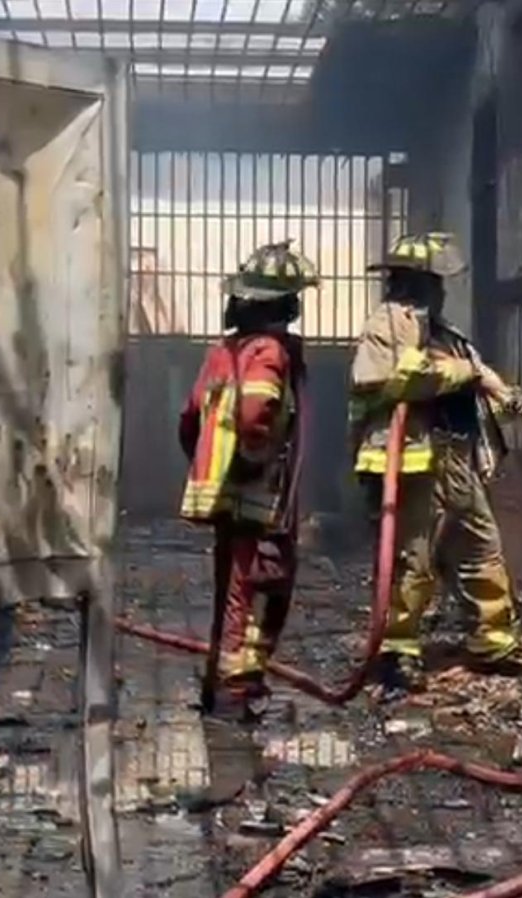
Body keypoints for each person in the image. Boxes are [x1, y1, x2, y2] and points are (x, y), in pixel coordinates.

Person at [349, 232, 522, 700]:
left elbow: (474, 367)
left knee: (479, 543)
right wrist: (460, 374)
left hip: (451, 455)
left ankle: (492, 639)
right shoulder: (386, 324)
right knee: (412, 556)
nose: (440, 291)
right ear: (413, 281)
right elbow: (396, 379)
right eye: (434, 282)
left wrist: (504, 395)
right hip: (407, 460)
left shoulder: (442, 331)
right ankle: (397, 650)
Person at [178, 240, 317, 720]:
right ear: (284, 305)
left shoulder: (222, 351)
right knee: (259, 585)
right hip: (253, 492)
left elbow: (190, 417)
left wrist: (206, 466)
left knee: (231, 586)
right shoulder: (269, 351)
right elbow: (257, 411)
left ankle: (221, 680)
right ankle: (236, 689)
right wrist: (256, 458)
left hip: (221, 490)